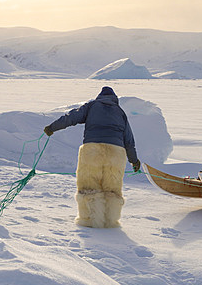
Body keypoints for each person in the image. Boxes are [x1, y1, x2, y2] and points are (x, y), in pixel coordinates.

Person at [43, 86, 139, 228]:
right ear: (115, 99)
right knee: (112, 189)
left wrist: (52, 127)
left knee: (89, 186)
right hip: (116, 153)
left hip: (92, 151)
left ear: (99, 96)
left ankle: (89, 220)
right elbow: (129, 140)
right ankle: (110, 221)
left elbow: (71, 117)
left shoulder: (92, 106)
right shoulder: (120, 112)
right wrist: (134, 160)